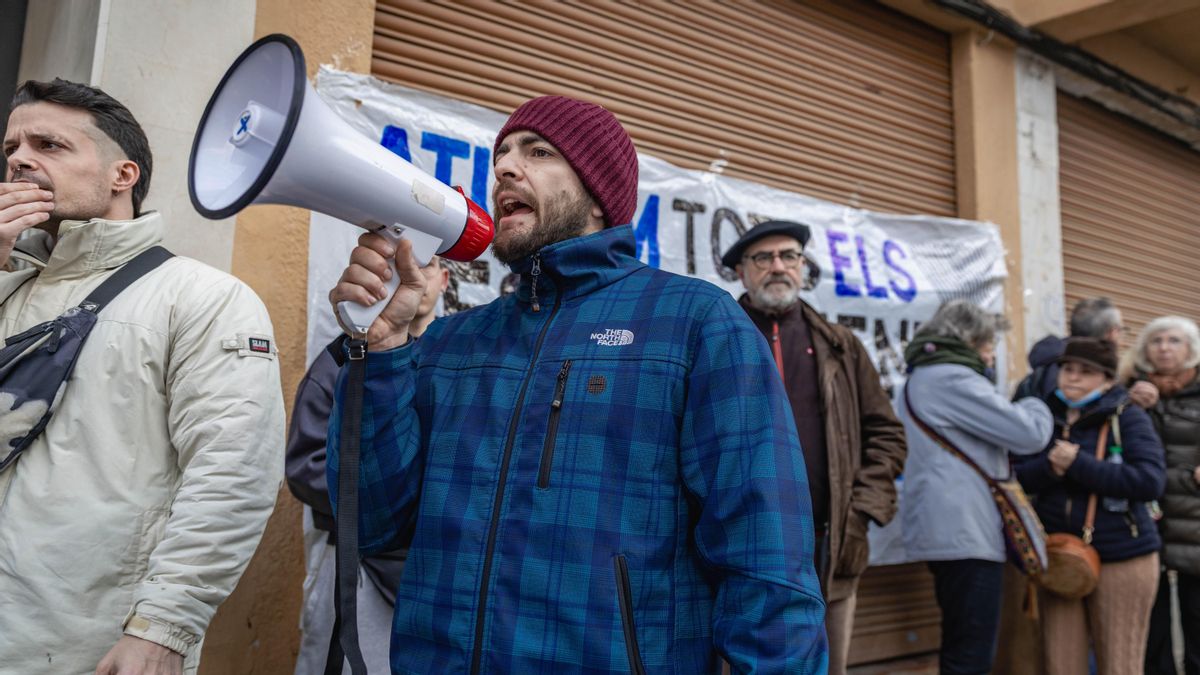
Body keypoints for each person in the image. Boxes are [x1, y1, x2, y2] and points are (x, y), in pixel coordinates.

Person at [327, 95, 828, 673]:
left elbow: (764, 549)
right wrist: (383, 352)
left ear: (597, 192)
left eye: (538, 152)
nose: (505, 169)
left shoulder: (694, 322)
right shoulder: (450, 343)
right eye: (501, 157)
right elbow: (370, 523)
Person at [0, 79, 285, 673]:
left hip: (87, 645)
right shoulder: (9, 282)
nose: (20, 159)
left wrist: (164, 627)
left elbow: (233, 472)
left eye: (49, 145)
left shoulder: (204, 297)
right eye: (11, 149)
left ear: (121, 175)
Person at [721, 219, 907, 675]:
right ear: (742, 272)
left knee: (827, 664)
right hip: (735, 545)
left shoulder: (840, 346)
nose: (778, 267)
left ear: (804, 267)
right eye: (762, 259)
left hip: (829, 544)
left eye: (789, 256)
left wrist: (860, 510)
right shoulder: (718, 335)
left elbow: (886, 434)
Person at [287, 256, 448, 675]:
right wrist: (395, 497)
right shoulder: (343, 359)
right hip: (358, 569)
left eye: (426, 267)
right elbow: (307, 465)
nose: (414, 277)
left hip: (434, 580)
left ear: (444, 279)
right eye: (402, 268)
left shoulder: (456, 359)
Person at [899, 299, 1053, 675]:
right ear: (968, 340)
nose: (990, 355)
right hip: (965, 530)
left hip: (946, 527)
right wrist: (1036, 401)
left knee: (962, 639)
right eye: (987, 344)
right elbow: (1030, 434)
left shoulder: (920, 378)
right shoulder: (952, 378)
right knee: (971, 650)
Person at [1014, 337, 1165, 674]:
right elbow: (1016, 476)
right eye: (1068, 369)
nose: (1073, 378)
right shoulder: (1044, 414)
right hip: (1060, 555)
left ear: (1108, 379)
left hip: (1123, 555)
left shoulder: (1128, 417)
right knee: (1059, 661)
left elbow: (1150, 481)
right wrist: (1049, 468)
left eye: (1086, 372)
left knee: (1119, 662)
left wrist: (1079, 465)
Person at [1123, 317, 1200, 675]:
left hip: (1195, 524)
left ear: (1191, 350)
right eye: (1156, 340)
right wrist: (1129, 400)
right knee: (1151, 631)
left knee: (1198, 621)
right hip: (1145, 524)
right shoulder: (1126, 391)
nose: (1164, 347)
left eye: (1174, 340)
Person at [1016, 297, 1159, 408]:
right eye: (1121, 330)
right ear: (1112, 333)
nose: (1074, 377)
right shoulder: (1095, 376)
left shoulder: (1041, 369)